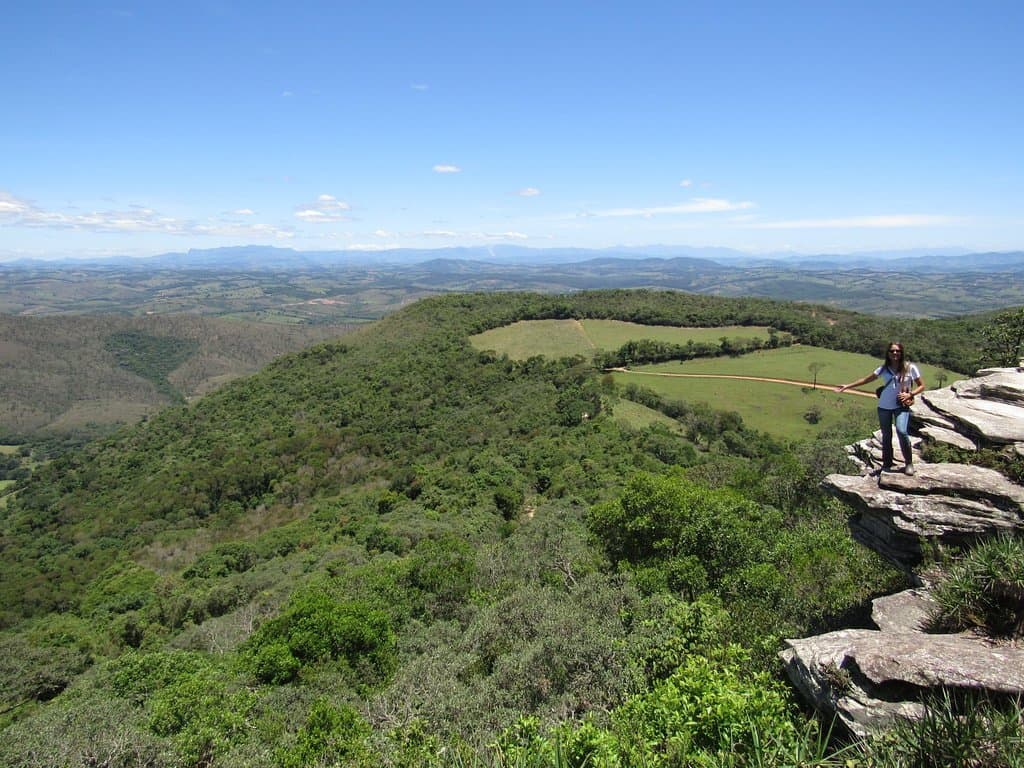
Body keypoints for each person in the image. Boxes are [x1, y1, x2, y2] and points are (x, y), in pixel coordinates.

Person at [837, 342, 925, 475]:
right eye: (892, 351)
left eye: (897, 351)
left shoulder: (910, 368)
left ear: (902, 353)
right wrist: (848, 386)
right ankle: (887, 463)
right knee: (886, 435)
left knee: (902, 431)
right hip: (884, 406)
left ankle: (909, 463)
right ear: (888, 353)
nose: (895, 353)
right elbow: (866, 379)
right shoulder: (883, 369)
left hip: (901, 405)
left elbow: (921, 386)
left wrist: (910, 394)